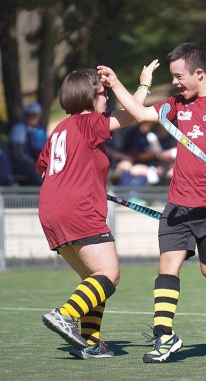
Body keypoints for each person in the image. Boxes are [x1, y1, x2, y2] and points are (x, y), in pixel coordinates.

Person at [98, 42, 206, 363]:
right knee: (167, 266)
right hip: (179, 204)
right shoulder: (176, 105)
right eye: (172, 77)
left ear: (199, 72)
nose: (176, 83)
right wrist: (116, 85)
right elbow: (140, 113)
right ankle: (164, 337)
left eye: (179, 76)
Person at [37, 59, 160, 360]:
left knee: (95, 280)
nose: (106, 96)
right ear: (89, 97)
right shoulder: (88, 122)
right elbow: (132, 114)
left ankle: (89, 342)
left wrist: (81, 180)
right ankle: (65, 315)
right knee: (109, 274)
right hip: (77, 209)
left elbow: (45, 171)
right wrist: (142, 85)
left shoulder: (59, 131)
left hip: (51, 210)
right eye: (102, 92)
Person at [9, 102, 47, 185]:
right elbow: (18, 154)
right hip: (21, 165)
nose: (32, 118)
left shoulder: (40, 131)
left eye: (35, 115)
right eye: (30, 115)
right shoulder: (19, 129)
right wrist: (33, 163)